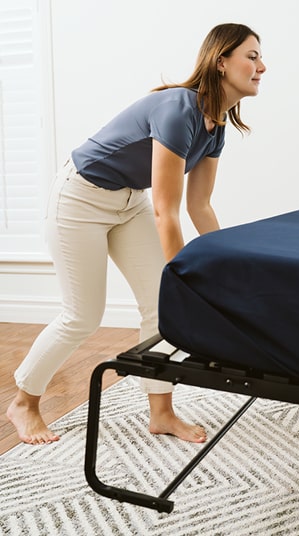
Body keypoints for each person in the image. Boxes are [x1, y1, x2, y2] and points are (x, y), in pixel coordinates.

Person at [6, 23, 266, 445]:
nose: (262, 66)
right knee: (83, 314)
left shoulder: (215, 126)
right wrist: (184, 276)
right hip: (81, 197)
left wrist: (225, 264)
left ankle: (161, 412)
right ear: (221, 62)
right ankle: (24, 403)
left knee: (155, 305)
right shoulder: (179, 108)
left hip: (129, 201)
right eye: (251, 56)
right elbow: (168, 209)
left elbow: (200, 206)